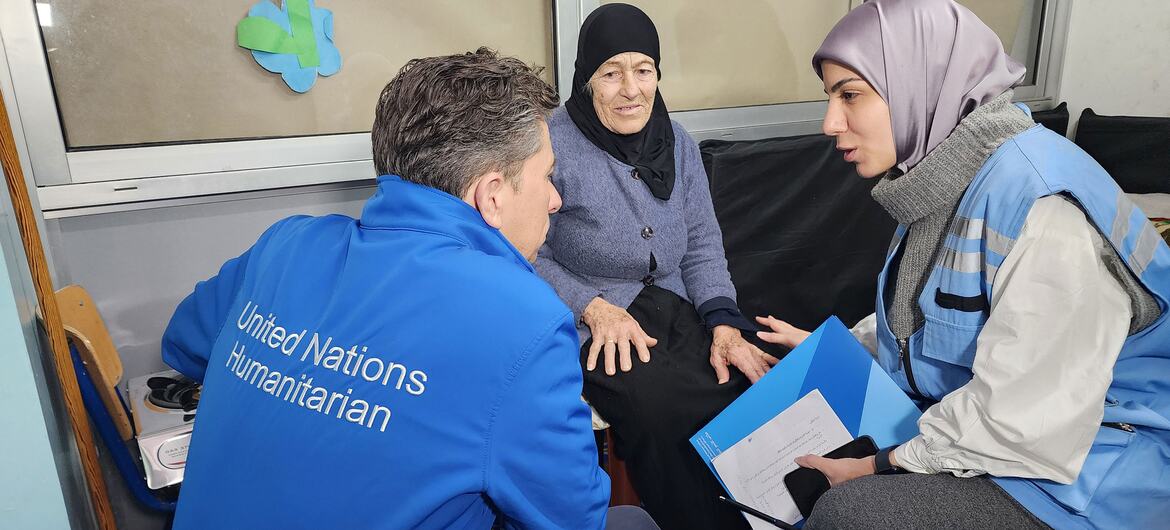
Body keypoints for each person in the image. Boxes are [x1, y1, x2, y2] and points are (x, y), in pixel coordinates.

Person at [161, 48, 658, 530]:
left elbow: (184, 342)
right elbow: (572, 517)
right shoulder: (525, 323)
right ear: (491, 196)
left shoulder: (286, 244)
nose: (555, 199)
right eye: (547, 176)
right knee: (632, 520)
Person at [755, 1, 1170, 528]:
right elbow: (934, 316)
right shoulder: (944, 175)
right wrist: (834, 349)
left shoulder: (1044, 210)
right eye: (830, 97)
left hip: (1094, 467)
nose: (830, 122)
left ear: (918, 83)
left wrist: (880, 465)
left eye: (851, 95)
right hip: (1005, 432)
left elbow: (1026, 423)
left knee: (848, 513)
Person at [535, 4, 776, 529]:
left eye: (643, 70)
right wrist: (590, 307)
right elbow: (528, 253)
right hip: (592, 315)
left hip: (674, 304)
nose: (631, 89)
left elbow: (702, 245)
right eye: (611, 73)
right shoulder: (550, 145)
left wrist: (724, 324)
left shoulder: (678, 142)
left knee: (739, 380)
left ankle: (764, 517)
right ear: (585, 80)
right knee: (659, 412)